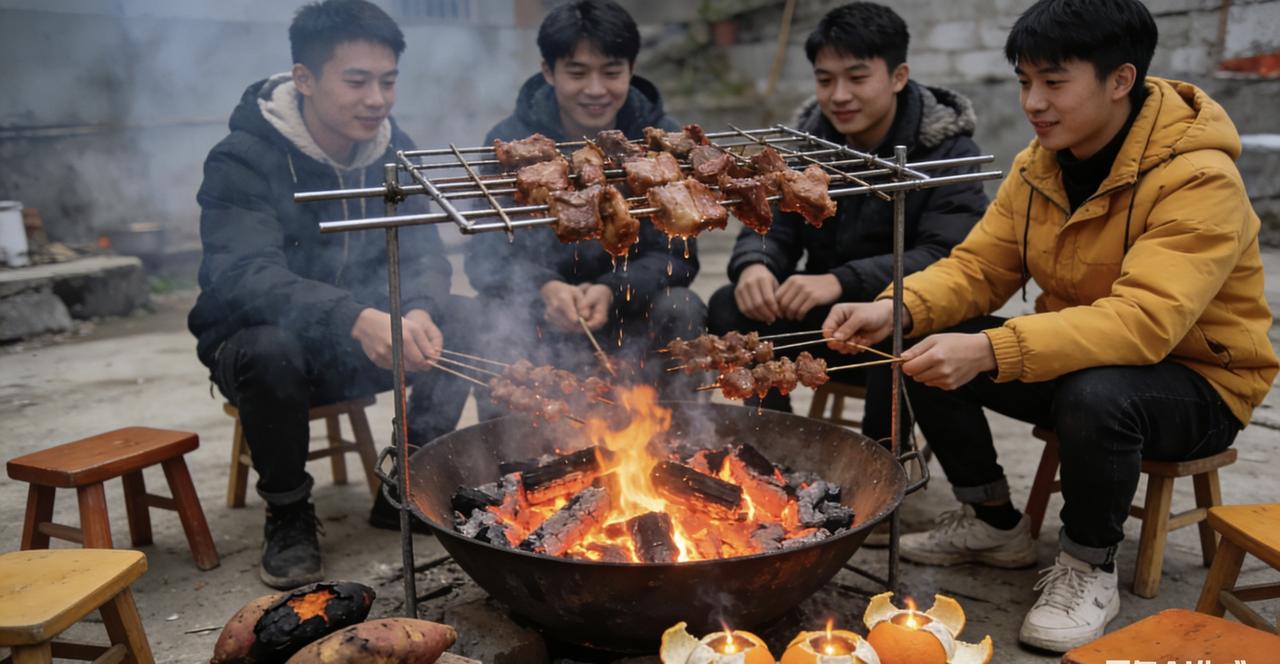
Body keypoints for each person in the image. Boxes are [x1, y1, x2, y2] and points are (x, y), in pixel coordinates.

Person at [822, 0, 1278, 652]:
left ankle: (1088, 564)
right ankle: (994, 523)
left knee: (1097, 393)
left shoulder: (1199, 178)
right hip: (1081, 355)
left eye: (1053, 82)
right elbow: (979, 268)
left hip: (1200, 380)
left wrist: (990, 348)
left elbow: (1144, 323)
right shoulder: (1039, 165)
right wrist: (897, 307)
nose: (1033, 101)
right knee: (918, 346)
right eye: (1024, 81)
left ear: (1120, 80)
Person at [189, 0, 478, 589]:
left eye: (388, 81)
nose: (377, 99)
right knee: (271, 350)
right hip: (269, 355)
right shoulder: (243, 158)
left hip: (365, 341)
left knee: (466, 319)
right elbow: (243, 274)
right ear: (305, 79)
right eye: (357, 81)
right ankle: (290, 514)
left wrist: (416, 309)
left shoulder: (395, 150)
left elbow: (424, 252)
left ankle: (405, 485)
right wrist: (353, 316)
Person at [707, 1, 987, 440]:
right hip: (824, 319)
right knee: (729, 302)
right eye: (825, 79)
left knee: (901, 329)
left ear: (898, 76)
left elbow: (946, 256)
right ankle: (777, 450)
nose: (839, 95)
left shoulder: (950, 153)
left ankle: (875, 468)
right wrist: (755, 265)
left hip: (893, 315)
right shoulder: (805, 143)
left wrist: (841, 280)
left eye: (857, 78)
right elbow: (771, 225)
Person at [464, 0, 704, 398]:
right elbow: (484, 258)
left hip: (630, 313)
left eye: (611, 73)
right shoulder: (510, 144)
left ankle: (681, 443)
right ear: (548, 72)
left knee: (683, 306)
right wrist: (546, 289)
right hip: (541, 322)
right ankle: (509, 457)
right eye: (577, 73)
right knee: (490, 314)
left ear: (631, 69)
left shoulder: (659, 140)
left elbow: (678, 258)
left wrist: (612, 289)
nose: (596, 90)